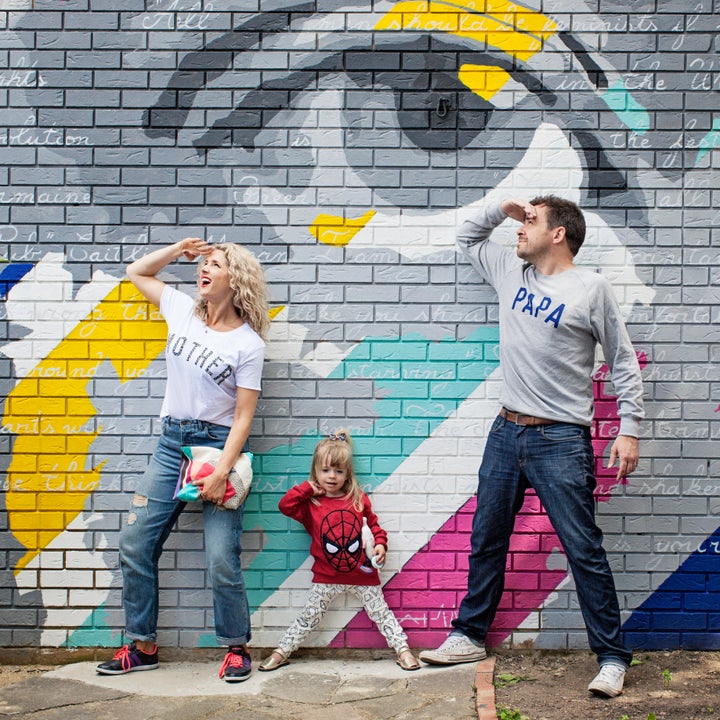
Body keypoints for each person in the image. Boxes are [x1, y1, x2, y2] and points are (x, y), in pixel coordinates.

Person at [418, 196, 644, 699]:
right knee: (487, 538)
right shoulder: (510, 270)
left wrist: (628, 426)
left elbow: (623, 361)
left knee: (583, 550)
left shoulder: (591, 287)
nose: (521, 229)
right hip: (505, 432)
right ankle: (469, 635)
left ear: (559, 233)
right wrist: (505, 209)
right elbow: (467, 237)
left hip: (560, 438)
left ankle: (611, 657)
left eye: (532, 221)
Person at [96, 238, 270, 682]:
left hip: (217, 448)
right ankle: (142, 645)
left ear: (236, 279)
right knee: (135, 543)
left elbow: (243, 417)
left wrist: (222, 471)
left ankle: (236, 647)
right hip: (172, 442)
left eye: (214, 265)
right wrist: (177, 250)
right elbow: (137, 271)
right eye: (204, 263)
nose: (204, 270)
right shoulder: (179, 309)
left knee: (221, 557)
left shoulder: (248, 344)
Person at [258, 430, 420, 672]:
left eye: (339, 471)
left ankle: (403, 650)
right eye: (325, 470)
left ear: (347, 474)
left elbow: (375, 527)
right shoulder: (311, 505)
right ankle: (282, 651)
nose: (332, 476)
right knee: (309, 617)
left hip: (363, 575)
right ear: (315, 472)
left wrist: (380, 545)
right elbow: (285, 505)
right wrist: (307, 489)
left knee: (382, 615)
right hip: (326, 577)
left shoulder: (358, 499)